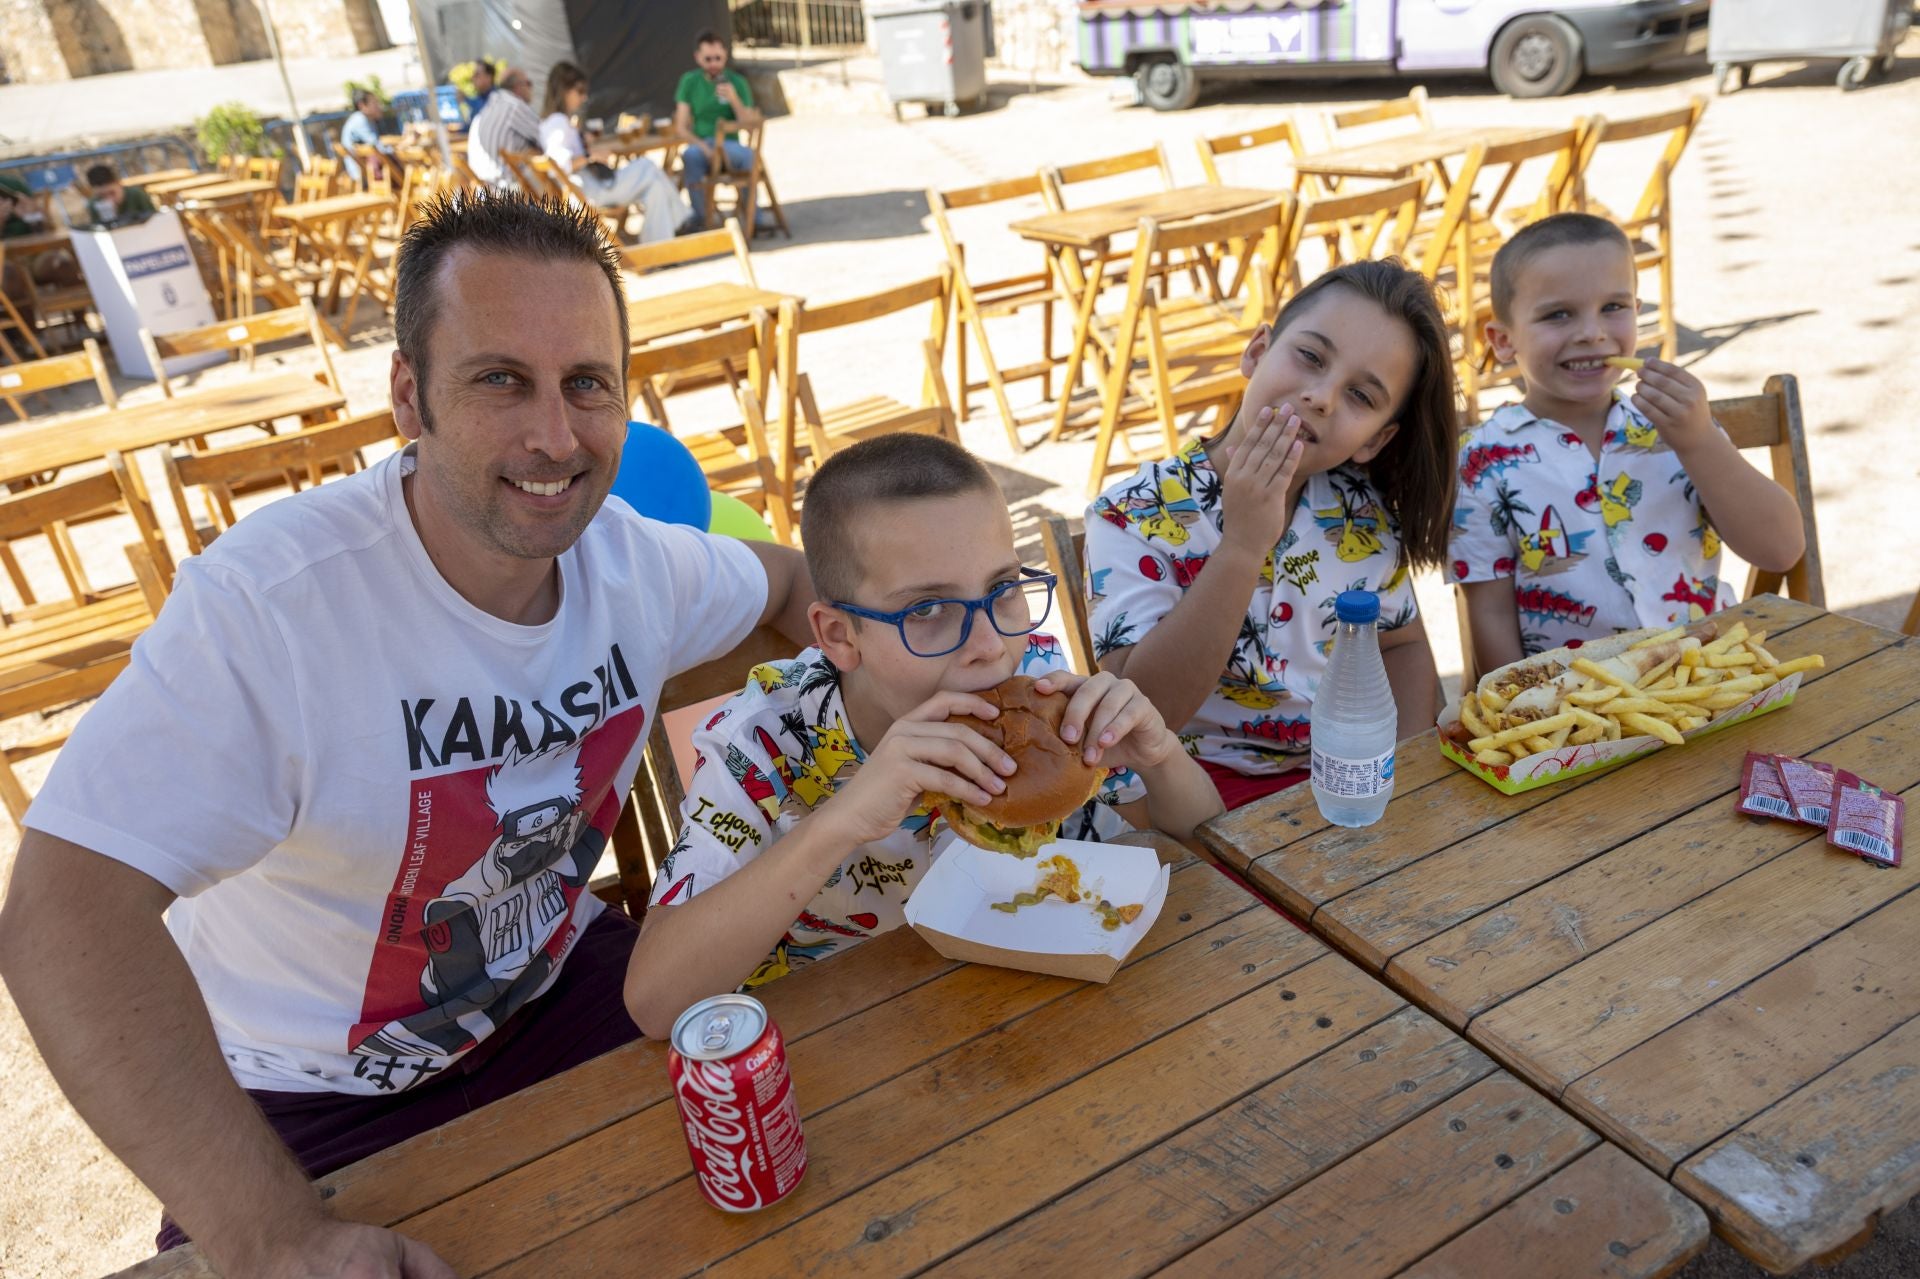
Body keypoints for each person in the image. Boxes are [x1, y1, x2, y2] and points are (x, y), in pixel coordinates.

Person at [0, 190, 815, 1277]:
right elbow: (60, 913)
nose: (555, 434)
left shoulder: (635, 562)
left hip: (560, 995)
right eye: (499, 379)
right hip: (308, 1094)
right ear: (406, 396)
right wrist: (272, 1237)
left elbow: (796, 583)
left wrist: (953, 661)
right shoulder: (275, 606)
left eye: (587, 382)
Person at [624, 434, 1223, 1034]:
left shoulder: (1037, 676)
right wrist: (843, 819)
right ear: (839, 635)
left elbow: (1206, 855)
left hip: (1040, 1007)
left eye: (1002, 590)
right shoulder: (760, 743)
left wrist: (1161, 757)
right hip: (839, 1035)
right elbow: (655, 1001)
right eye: (927, 611)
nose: (990, 646)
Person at [1084, 260, 1458, 811]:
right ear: (1257, 352)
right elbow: (1144, 714)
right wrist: (1242, 547)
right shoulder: (1132, 515)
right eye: (1311, 356)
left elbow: (1400, 644)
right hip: (1185, 788)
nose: (1322, 396)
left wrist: (1397, 774)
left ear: (1375, 440)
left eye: (1361, 395)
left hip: (1337, 778)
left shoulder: (1360, 512)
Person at [1450, 213, 1805, 675]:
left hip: (1706, 677)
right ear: (1503, 340)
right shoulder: (1481, 461)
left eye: (1613, 307)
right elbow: (1489, 613)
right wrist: (1526, 702)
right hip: (1575, 700)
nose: (1592, 332)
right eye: (1558, 314)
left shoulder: (1678, 426)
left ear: (1638, 312)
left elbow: (1781, 549)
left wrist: (1700, 441)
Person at [539, 61, 689, 245]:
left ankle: (659, 247)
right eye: (580, 91)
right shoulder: (557, 123)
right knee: (647, 166)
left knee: (655, 187)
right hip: (588, 191)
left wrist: (584, 143)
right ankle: (684, 219)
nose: (584, 97)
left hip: (588, 186)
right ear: (564, 90)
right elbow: (557, 165)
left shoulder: (555, 121)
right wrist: (590, 156)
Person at [672, 30, 770, 234]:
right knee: (689, 156)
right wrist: (704, 147)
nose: (714, 64)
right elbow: (680, 127)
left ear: (725, 55)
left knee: (749, 157)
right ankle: (701, 219)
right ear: (697, 58)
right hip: (702, 145)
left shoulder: (737, 82)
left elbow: (749, 125)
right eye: (708, 59)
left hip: (729, 145)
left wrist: (734, 100)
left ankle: (754, 220)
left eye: (718, 58)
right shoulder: (689, 81)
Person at [468, 65, 542, 190]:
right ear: (518, 87)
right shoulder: (514, 106)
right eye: (528, 83)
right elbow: (545, 138)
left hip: (482, 188)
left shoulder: (490, 106)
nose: (531, 88)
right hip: (507, 189)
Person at [338, 87, 400, 187]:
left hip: (362, 172)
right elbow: (378, 147)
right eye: (375, 103)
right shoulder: (360, 120)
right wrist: (401, 146)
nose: (379, 106)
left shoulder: (364, 119)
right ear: (362, 105)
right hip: (362, 175)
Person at [83, 162, 156, 228]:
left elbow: (154, 217)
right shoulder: (94, 205)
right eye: (101, 196)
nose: (109, 199)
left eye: (112, 193)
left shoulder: (136, 194)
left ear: (119, 184)